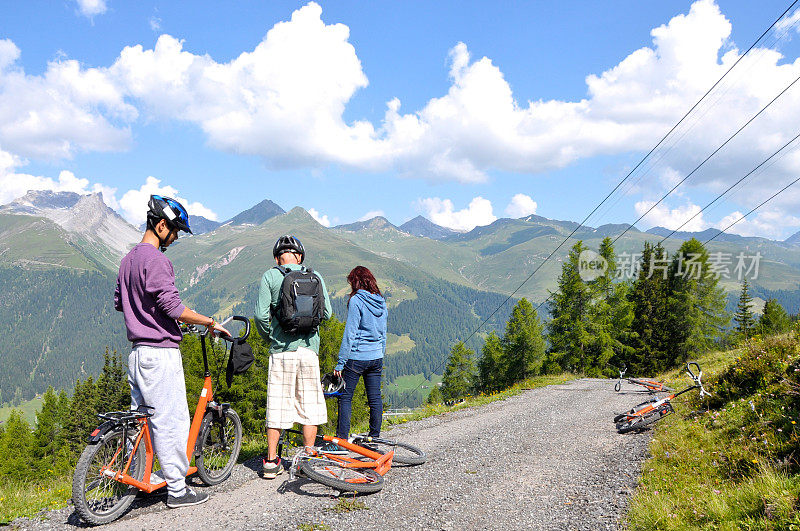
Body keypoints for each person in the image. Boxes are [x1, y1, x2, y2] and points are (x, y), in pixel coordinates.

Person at [114, 195, 229, 508]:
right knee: (171, 420)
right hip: (159, 354)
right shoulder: (157, 260)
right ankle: (178, 490)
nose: (176, 237)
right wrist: (208, 321)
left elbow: (119, 302)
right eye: (175, 230)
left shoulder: (127, 260)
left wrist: (144, 313)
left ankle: (140, 476)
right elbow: (172, 306)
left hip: (136, 353)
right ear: (161, 225)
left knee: (142, 422)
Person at [254, 235, 332, 479]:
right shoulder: (315, 275)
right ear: (300, 256)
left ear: (278, 257)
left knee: (277, 405)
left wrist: (271, 338)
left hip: (281, 351)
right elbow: (327, 313)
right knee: (310, 404)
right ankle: (307, 459)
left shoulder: (271, 276)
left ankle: (270, 462)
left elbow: (259, 316)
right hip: (309, 350)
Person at [333, 266, 387, 443]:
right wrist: (380, 352)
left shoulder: (357, 301)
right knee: (375, 398)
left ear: (355, 281)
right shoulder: (381, 300)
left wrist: (341, 363)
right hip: (376, 357)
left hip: (357, 357)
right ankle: (374, 437)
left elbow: (350, 334)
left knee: (345, 397)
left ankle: (341, 441)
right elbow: (383, 332)